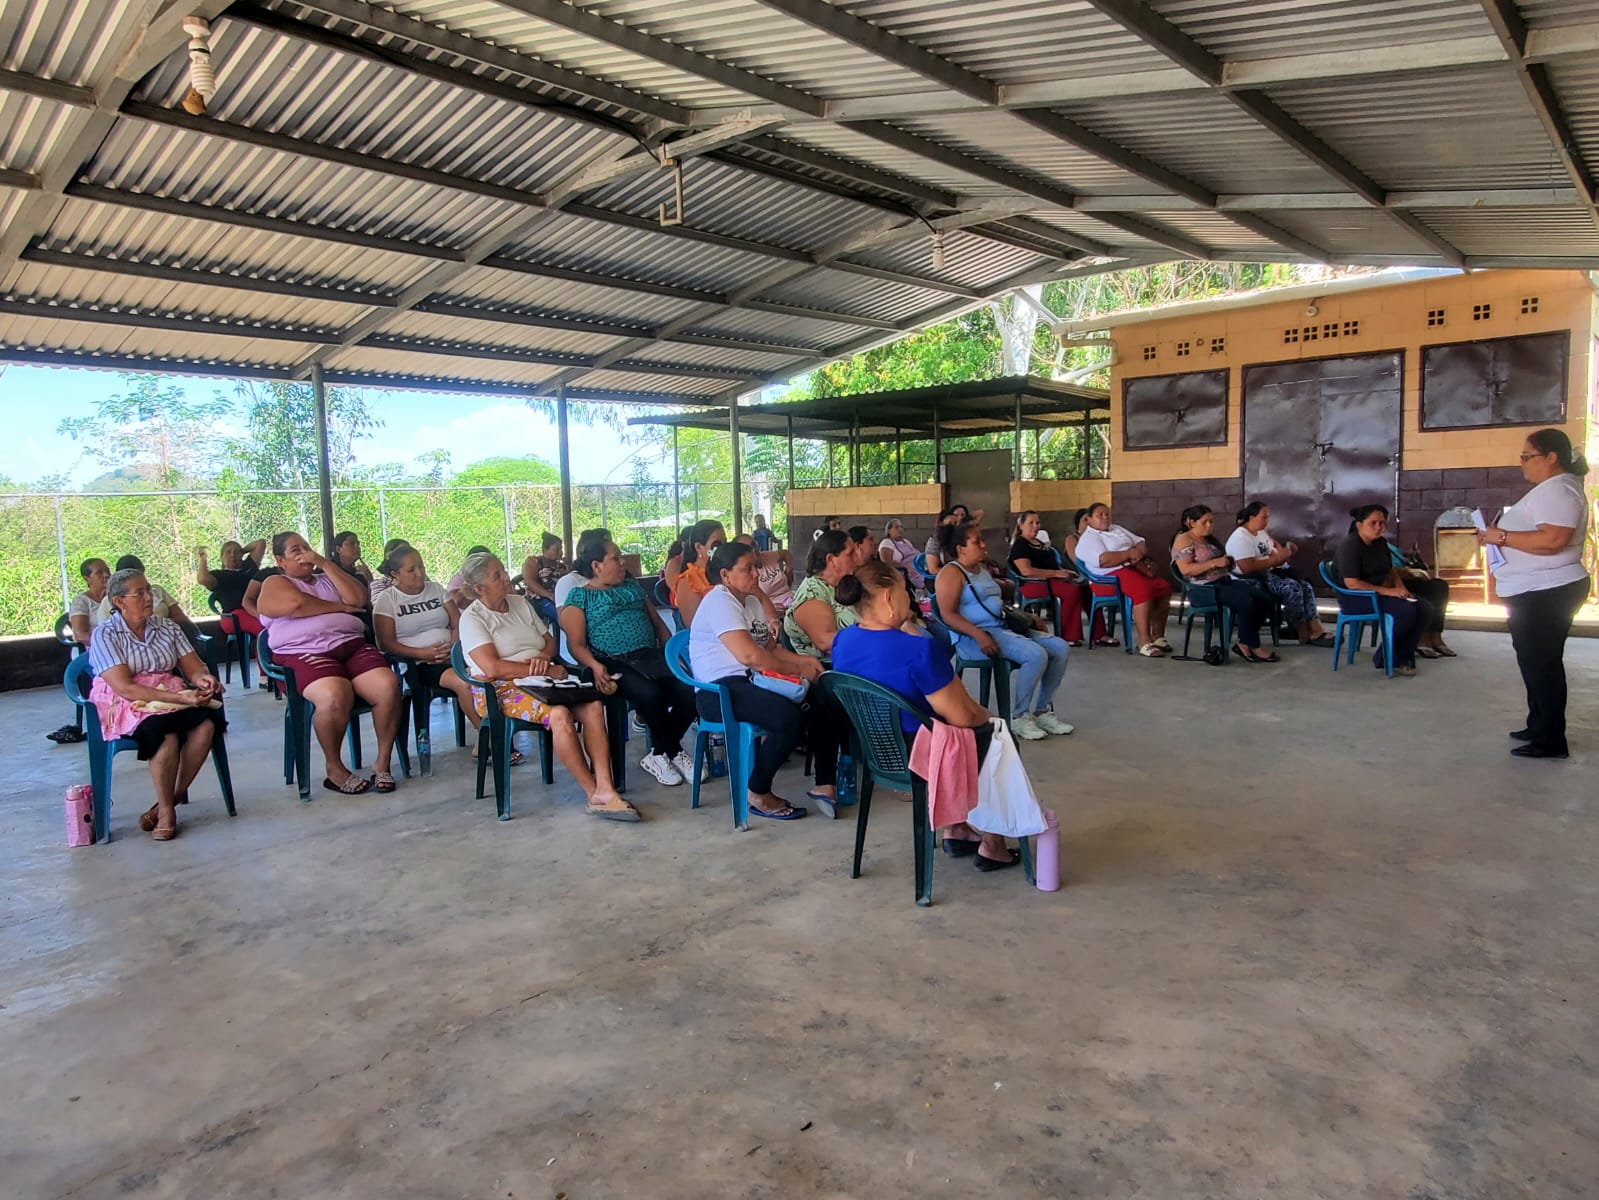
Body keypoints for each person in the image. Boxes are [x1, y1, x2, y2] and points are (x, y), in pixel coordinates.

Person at [832, 561, 1021, 871]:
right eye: (902, 589)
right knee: (998, 736)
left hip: (878, 753)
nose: (909, 595)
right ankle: (992, 843)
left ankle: (956, 827)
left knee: (954, 728)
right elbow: (964, 716)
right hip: (921, 757)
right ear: (888, 597)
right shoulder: (918, 650)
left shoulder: (843, 642)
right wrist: (988, 717)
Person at [458, 551, 635, 820]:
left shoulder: (519, 603)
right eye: (498, 576)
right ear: (479, 588)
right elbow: (492, 668)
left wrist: (544, 658)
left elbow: (549, 641)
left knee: (593, 706)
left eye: (503, 570)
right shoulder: (473, 618)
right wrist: (536, 667)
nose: (506, 577)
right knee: (560, 714)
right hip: (501, 689)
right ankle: (593, 794)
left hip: (543, 680)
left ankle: (606, 787)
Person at [1475, 428, 1592, 759]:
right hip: (1535, 590)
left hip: (1547, 592)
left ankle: (1551, 739)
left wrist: (1501, 538)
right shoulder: (1551, 489)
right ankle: (1538, 724)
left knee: (1543, 664)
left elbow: (1553, 540)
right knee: (1533, 661)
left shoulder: (1559, 490)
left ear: (1551, 458)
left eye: (1528, 457)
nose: (1523, 463)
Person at [258, 532, 404, 793]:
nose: (304, 554)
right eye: (295, 551)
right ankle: (334, 768)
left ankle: (382, 763)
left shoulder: (328, 578)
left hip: (351, 646)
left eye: (306, 547)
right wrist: (339, 608)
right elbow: (296, 605)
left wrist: (326, 564)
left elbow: (358, 599)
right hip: (304, 652)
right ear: (281, 560)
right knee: (335, 694)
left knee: (388, 685)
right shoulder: (275, 582)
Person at [87, 567, 226, 840]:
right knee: (166, 735)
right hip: (129, 702)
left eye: (149, 591)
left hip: (168, 696)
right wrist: (179, 697)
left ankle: (168, 802)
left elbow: (193, 668)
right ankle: (166, 812)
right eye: (140, 593)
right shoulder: (105, 635)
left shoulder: (167, 627)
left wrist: (204, 679)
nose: (149, 597)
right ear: (119, 602)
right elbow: (125, 687)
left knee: (206, 726)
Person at [689, 540, 823, 821]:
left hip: (751, 682)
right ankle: (758, 792)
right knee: (789, 719)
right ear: (725, 575)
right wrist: (796, 671)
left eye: (756, 568)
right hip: (719, 692)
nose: (756, 574)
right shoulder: (719, 601)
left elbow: (770, 649)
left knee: (822, 698)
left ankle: (827, 783)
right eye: (748, 569)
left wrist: (805, 662)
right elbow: (750, 656)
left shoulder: (748, 601)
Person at [561, 532, 698, 788]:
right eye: (616, 558)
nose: (623, 562)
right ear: (597, 566)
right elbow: (575, 644)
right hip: (610, 662)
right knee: (650, 693)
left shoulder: (633, 588)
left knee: (690, 689)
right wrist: (594, 665)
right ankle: (672, 749)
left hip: (649, 656)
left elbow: (658, 624)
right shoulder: (580, 597)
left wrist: (673, 654)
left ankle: (660, 751)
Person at [933, 521, 1073, 741]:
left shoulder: (981, 569)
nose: (983, 544)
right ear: (960, 548)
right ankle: (1019, 716)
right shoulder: (951, 573)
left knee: (1060, 647)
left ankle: (1043, 711)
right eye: (976, 541)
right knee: (1035, 655)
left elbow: (996, 603)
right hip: (976, 636)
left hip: (1002, 627)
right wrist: (979, 635)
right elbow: (948, 614)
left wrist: (1027, 618)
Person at [371, 544, 480, 744]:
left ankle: (487, 739)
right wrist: (422, 654)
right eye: (411, 570)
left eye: (421, 566)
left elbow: (457, 623)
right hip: (418, 665)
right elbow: (385, 643)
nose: (419, 573)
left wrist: (454, 651)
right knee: (464, 683)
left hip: (452, 657)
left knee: (489, 676)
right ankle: (488, 737)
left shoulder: (436, 589)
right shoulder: (388, 599)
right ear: (396, 574)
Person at [781, 530, 858, 814]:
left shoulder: (850, 585)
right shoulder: (813, 591)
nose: (857, 558)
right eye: (850, 553)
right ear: (831, 559)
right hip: (814, 668)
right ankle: (825, 781)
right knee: (829, 695)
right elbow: (825, 641)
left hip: (848, 662)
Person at [1333, 505, 1430, 677]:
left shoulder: (1380, 543)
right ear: (1359, 525)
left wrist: (1400, 587)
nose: (1379, 527)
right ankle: (1388, 658)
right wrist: (1388, 592)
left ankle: (1398, 654)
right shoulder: (1350, 546)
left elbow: (1390, 570)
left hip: (1378, 593)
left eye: (1382, 523)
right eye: (1373, 523)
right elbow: (1352, 583)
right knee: (1406, 611)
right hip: (1356, 598)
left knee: (1424, 608)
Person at [1171, 506, 1276, 662]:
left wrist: (1227, 563)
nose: (1209, 525)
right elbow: (1186, 569)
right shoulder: (1184, 540)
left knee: (1265, 598)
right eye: (1204, 522)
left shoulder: (1209, 538)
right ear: (1191, 523)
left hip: (1223, 581)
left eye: (1211, 521)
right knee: (1245, 602)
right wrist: (1214, 563)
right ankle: (1252, 645)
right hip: (1204, 589)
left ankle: (1244, 641)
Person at [1075, 503, 1174, 657]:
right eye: (1100, 515)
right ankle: (1144, 641)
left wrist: (1138, 553)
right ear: (1089, 519)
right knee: (1142, 589)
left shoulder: (1116, 528)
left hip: (1132, 568)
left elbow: (1139, 541)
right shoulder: (1089, 538)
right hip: (1107, 577)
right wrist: (1128, 554)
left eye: (1107, 514)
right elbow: (1103, 560)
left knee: (1163, 587)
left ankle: (1158, 636)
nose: (1105, 517)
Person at [1226, 504, 1332, 646]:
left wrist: (1287, 552)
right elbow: (1247, 567)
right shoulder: (1241, 537)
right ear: (1251, 517)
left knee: (1305, 586)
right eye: (1263, 517)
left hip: (1270, 573)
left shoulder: (1261, 533)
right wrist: (1275, 560)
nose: (1266, 521)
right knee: (1292, 588)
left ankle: (1315, 627)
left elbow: (1274, 553)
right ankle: (1302, 630)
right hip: (1252, 579)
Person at [1009, 509, 1089, 645]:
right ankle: (1068, 636)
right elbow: (1026, 571)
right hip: (1034, 584)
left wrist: (1065, 572)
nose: (1035, 526)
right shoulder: (1020, 545)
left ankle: (1099, 634)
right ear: (1021, 525)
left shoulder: (1040, 543)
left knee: (1085, 587)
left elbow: (1051, 566)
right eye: (1031, 523)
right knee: (1071, 591)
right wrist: (1056, 574)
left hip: (1050, 580)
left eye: (1037, 523)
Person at [96, 555, 195, 641]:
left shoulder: (157, 591)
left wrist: (158, 625)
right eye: (138, 593)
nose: (148, 598)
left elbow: (181, 617)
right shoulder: (109, 602)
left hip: (166, 637)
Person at [197, 538, 268, 636]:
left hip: (256, 610)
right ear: (222, 557)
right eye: (228, 552)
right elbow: (202, 579)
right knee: (265, 628)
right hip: (234, 616)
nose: (232, 555)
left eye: (236, 552)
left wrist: (242, 551)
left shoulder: (249, 566)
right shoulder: (219, 575)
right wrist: (203, 558)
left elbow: (261, 543)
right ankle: (262, 651)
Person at [673, 518, 726, 627]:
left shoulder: (725, 571)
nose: (723, 547)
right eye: (717, 544)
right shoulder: (688, 581)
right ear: (698, 547)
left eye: (725, 542)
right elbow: (693, 625)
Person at [735, 533, 795, 614]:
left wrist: (789, 569)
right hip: (774, 613)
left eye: (754, 544)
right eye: (748, 548)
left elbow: (786, 554)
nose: (753, 549)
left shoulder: (767, 556)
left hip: (791, 601)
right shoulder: (744, 573)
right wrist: (767, 609)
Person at [67, 557, 111, 645]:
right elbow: (80, 635)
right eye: (99, 572)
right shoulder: (81, 601)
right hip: (94, 650)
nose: (106, 575)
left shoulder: (116, 598)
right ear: (87, 579)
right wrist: (107, 643)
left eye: (107, 570)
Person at [879, 518, 926, 590]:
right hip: (905, 572)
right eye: (896, 527)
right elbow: (886, 563)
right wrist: (905, 566)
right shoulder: (887, 543)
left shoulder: (906, 542)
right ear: (889, 531)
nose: (900, 529)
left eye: (901, 527)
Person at [521, 533, 566, 604]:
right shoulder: (534, 561)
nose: (561, 552)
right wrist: (549, 595)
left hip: (559, 599)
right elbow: (530, 581)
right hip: (540, 601)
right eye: (557, 549)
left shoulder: (561, 565)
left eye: (561, 549)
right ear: (545, 549)